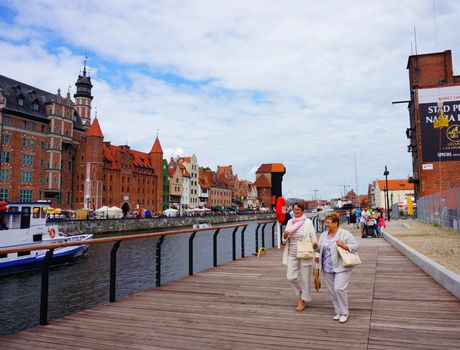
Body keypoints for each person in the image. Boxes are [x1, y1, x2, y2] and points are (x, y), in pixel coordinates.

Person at [315, 212, 358, 323]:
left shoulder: (345, 233)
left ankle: (345, 312)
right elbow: (319, 249)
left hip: (342, 266)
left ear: (336, 223)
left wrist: (344, 245)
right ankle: (338, 311)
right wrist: (315, 247)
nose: (326, 224)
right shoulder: (324, 235)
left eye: (328, 223)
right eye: (326, 222)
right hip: (327, 267)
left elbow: (356, 246)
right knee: (332, 291)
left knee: (339, 288)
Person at [282, 202, 318, 311]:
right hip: (292, 253)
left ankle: (302, 300)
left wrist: (314, 244)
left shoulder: (308, 222)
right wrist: (284, 236)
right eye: (294, 209)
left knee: (305, 278)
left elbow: (314, 238)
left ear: (302, 210)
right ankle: (301, 293)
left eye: (298, 209)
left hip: (305, 253)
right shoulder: (290, 222)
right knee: (290, 277)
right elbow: (285, 239)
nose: (296, 211)